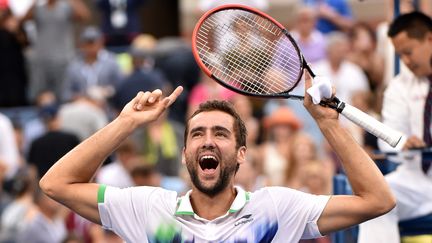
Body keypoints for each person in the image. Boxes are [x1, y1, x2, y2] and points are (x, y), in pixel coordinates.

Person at [39, 75, 396, 242]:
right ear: (184, 155)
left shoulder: (277, 208)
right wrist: (126, 122)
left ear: (242, 153)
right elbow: (55, 184)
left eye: (220, 133)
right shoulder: (148, 208)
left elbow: (378, 200)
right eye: (197, 134)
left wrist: (327, 124)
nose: (207, 141)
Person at [358, 11, 432, 243]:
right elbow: (386, 138)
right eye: (400, 55)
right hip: (416, 180)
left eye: (408, 52)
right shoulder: (398, 87)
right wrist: (404, 141)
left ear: (429, 39)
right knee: (376, 196)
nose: (406, 61)